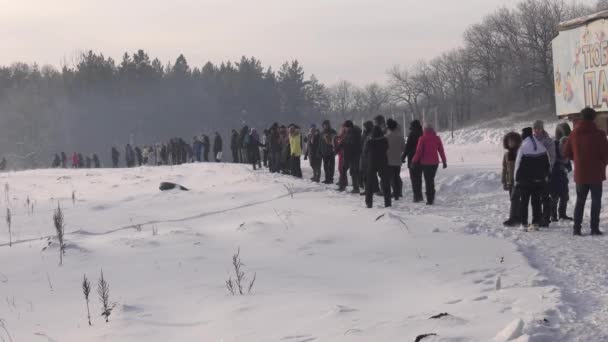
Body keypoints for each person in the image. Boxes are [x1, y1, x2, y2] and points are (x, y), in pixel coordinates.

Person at [563, 107, 608, 236]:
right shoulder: (600, 134)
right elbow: (606, 154)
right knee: (596, 201)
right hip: (596, 173)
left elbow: (566, 152)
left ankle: (576, 229)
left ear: (581, 117)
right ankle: (594, 228)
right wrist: (602, 164)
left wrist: (577, 159)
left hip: (581, 174)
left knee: (580, 201)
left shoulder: (574, 133)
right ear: (594, 118)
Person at [515, 127, 550, 230]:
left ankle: (524, 223)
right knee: (536, 202)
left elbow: (518, 164)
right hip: (539, 180)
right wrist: (545, 176)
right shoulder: (541, 147)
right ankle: (536, 223)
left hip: (525, 181)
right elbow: (547, 164)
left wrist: (516, 179)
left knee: (524, 202)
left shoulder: (523, 147)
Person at [411, 122, 446, 205]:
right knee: (431, 180)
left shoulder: (422, 138)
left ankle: (430, 199)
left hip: (426, 163)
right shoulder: (437, 138)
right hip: (435, 163)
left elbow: (418, 152)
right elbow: (441, 151)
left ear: (424, 129)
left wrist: (413, 161)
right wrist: (444, 161)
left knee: (428, 180)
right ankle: (431, 196)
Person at [533, 120, 556, 227]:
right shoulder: (530, 140)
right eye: (535, 128)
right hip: (533, 173)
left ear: (542, 129)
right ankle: (537, 217)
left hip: (545, 172)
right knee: (535, 197)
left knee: (545, 196)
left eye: (539, 128)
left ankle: (546, 218)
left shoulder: (548, 141)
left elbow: (551, 157)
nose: (537, 130)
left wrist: (548, 170)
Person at [550, 123, 573, 222]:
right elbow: (552, 159)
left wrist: (568, 167)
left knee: (565, 196)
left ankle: (562, 214)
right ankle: (553, 215)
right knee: (554, 196)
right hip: (554, 175)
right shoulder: (554, 145)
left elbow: (568, 158)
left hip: (563, 175)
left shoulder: (568, 144)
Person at [364, 125, 391, 208]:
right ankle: (388, 203)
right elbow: (387, 148)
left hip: (371, 162)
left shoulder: (369, 141)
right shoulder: (384, 140)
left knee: (369, 183)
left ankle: (369, 203)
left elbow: (365, 152)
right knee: (386, 182)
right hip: (383, 162)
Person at [502, 132, 523, 227]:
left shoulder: (520, 152)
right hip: (510, 181)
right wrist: (504, 181)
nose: (511, 143)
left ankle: (513, 218)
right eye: (509, 141)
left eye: (513, 141)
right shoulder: (506, 155)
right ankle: (518, 217)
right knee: (513, 199)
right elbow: (504, 168)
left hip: (518, 180)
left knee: (515, 199)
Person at [337, 121, 362, 193]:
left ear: (348, 127)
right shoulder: (350, 132)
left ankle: (354, 188)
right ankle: (344, 186)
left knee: (352, 171)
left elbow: (350, 144)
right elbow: (345, 141)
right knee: (346, 170)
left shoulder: (353, 133)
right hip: (349, 155)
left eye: (345, 127)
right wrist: (340, 145)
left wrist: (341, 145)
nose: (344, 129)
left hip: (352, 155)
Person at [403, 120, 423, 202]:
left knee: (413, 178)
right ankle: (420, 195)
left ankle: (416, 196)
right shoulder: (422, 133)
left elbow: (407, 147)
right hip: (421, 159)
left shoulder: (411, 134)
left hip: (412, 159)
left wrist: (403, 157)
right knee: (419, 178)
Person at [386, 119, 405, 200]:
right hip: (398, 160)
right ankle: (397, 192)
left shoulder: (386, 137)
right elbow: (403, 148)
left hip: (388, 160)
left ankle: (395, 192)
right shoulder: (400, 137)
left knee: (391, 177)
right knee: (396, 176)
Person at [360, 121, 375, 196]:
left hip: (369, 156)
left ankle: (369, 189)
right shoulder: (365, 133)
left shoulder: (371, 134)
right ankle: (368, 189)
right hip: (364, 155)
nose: (364, 128)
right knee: (364, 173)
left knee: (368, 174)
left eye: (365, 126)